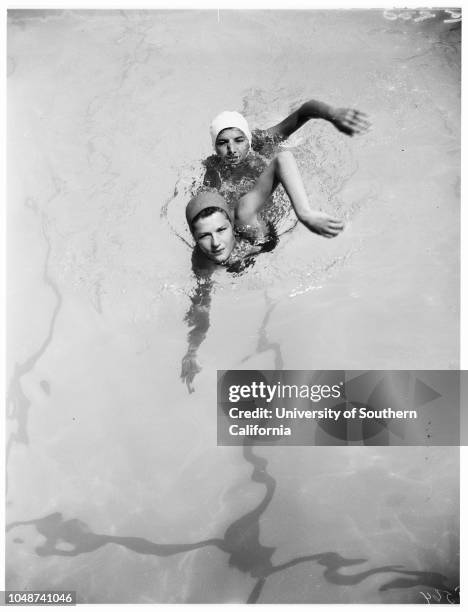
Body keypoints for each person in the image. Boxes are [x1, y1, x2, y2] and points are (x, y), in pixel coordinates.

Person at [181, 150, 344, 391]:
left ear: (231, 224)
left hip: (263, 207)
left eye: (221, 230)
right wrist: (192, 351)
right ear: (194, 239)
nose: (216, 243)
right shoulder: (202, 263)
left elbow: (282, 159)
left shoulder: (245, 214)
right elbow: (201, 306)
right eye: (204, 236)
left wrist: (304, 213)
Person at [203, 101, 370, 208]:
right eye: (223, 143)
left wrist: (333, 113)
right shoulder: (213, 166)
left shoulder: (261, 142)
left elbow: (305, 111)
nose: (232, 149)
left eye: (239, 140)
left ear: (248, 140)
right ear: (215, 147)